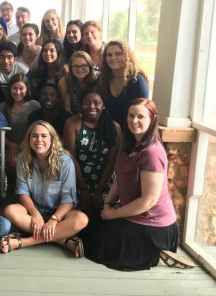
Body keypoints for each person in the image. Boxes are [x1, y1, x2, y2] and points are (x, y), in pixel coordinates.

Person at [80, 99, 187, 271]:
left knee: (98, 243)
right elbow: (120, 178)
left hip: (153, 225)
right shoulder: (128, 141)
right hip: (132, 213)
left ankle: (155, 252)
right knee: (90, 225)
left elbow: (148, 201)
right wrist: (107, 204)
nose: (134, 121)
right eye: (131, 115)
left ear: (152, 119)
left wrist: (113, 214)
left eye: (140, 117)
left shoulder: (152, 153)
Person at [2, 121, 88, 255]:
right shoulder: (22, 159)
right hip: (34, 213)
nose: (39, 140)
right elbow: (22, 192)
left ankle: (25, 242)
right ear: (29, 139)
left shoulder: (65, 161)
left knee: (82, 219)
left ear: (52, 139)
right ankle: (61, 239)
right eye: (35, 136)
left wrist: (54, 219)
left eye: (44, 136)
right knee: (10, 210)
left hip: (61, 215)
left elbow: (69, 198)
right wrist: (35, 214)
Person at [63, 87, 121, 218]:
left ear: (104, 105)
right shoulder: (72, 123)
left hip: (105, 181)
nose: (91, 106)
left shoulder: (114, 127)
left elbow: (112, 161)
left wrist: (99, 191)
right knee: (78, 217)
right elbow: (71, 158)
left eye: (97, 102)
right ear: (81, 105)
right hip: (77, 180)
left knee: (105, 217)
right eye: (87, 102)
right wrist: (83, 190)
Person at [0, 74, 41, 190]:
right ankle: (16, 188)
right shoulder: (3, 106)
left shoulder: (35, 105)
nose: (18, 92)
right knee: (13, 161)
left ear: (27, 88)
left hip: (29, 146)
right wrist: (10, 145)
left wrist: (22, 146)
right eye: (14, 88)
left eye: (21, 88)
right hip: (9, 147)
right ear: (10, 89)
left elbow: (35, 128)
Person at [101, 40, 149, 128]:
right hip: (107, 132)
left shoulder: (137, 81)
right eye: (109, 55)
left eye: (118, 54)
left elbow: (141, 113)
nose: (113, 57)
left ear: (126, 56)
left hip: (130, 132)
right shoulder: (103, 80)